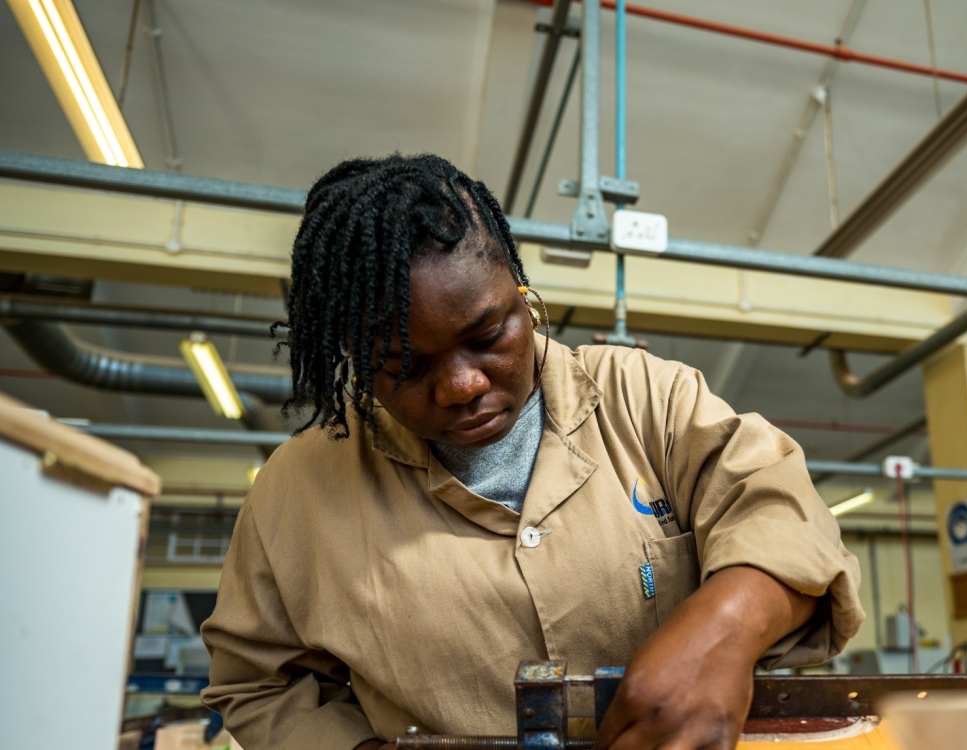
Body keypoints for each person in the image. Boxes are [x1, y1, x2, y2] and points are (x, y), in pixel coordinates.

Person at [200, 154, 864, 750]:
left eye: (489, 334)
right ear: (354, 362)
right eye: (404, 364)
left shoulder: (647, 399)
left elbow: (784, 515)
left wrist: (722, 632)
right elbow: (258, 686)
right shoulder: (296, 491)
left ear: (523, 295)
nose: (463, 384)